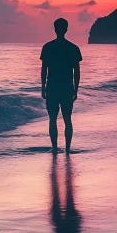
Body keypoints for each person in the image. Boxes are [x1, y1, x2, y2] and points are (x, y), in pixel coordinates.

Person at [40, 18, 82, 154]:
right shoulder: (73, 48)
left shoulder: (47, 47)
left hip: (52, 87)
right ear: (66, 29)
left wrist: (43, 87)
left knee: (52, 119)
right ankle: (68, 149)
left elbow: (44, 70)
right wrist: (76, 89)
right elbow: (77, 72)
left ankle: (54, 148)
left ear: (55, 29)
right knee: (67, 119)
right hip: (67, 87)